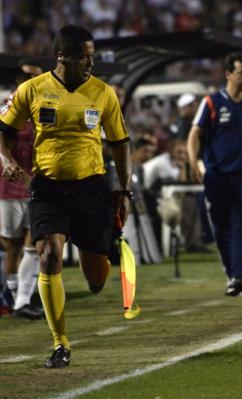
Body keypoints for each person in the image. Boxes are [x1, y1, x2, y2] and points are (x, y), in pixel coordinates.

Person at [0, 25, 132, 368]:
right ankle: (60, 344)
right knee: (48, 254)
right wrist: (7, 160)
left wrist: (125, 189)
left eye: (92, 55)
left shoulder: (103, 93)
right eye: (86, 56)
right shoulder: (32, 89)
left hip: (92, 186)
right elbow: (3, 133)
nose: (91, 61)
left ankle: (99, 268)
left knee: (96, 277)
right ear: (64, 58)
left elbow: (120, 143)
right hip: (48, 187)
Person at [187, 52, 242, 297]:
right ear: (228, 74)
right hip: (216, 177)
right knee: (221, 228)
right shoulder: (211, 103)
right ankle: (231, 273)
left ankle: (238, 276)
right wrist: (194, 163)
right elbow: (194, 135)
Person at [0, 60, 44, 320]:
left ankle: (22, 300)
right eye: (28, 76)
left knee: (35, 241)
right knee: (13, 246)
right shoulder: (9, 104)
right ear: (19, 79)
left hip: (36, 185)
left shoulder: (44, 105)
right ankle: (13, 296)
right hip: (9, 184)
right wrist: (8, 162)